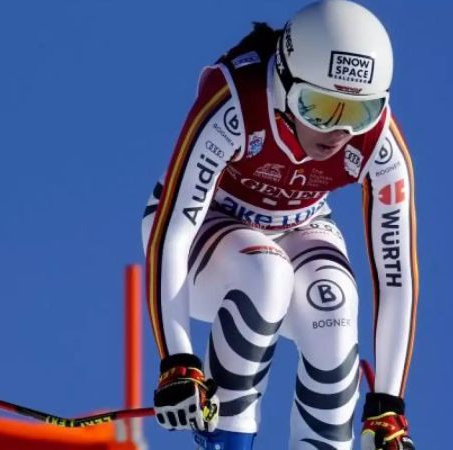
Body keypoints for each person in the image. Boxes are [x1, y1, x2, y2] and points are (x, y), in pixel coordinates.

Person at [140, 1, 417, 449]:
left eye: (358, 112)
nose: (337, 132)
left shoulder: (380, 145)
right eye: (320, 106)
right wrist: (176, 358)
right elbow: (173, 232)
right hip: (207, 223)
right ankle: (225, 437)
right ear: (284, 83)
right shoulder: (238, 104)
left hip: (302, 223)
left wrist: (388, 404)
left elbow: (395, 277)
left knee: (335, 303)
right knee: (267, 276)